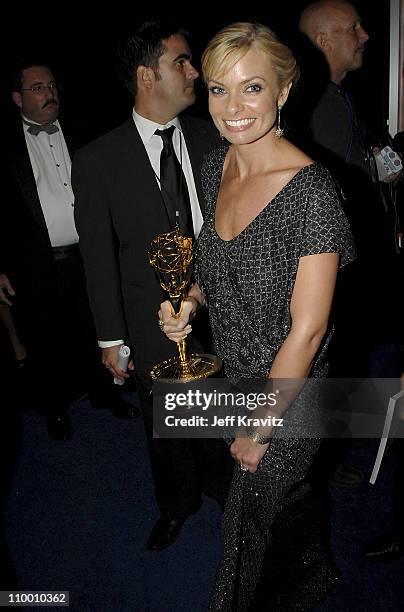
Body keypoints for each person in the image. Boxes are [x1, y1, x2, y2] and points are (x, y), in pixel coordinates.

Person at [159, 21, 355, 610]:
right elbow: (213, 269)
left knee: (245, 532)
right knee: (280, 509)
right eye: (218, 89)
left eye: (252, 88)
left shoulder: (312, 191)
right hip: (235, 380)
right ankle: (311, 574)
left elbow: (310, 328)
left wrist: (261, 426)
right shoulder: (218, 163)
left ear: (284, 91)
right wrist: (189, 303)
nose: (233, 107)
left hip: (287, 399)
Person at [72, 20, 233, 552]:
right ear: (147, 76)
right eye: (182, 62)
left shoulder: (215, 136)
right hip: (150, 317)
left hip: (220, 301)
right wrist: (110, 339)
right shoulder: (98, 160)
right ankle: (176, 504)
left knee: (220, 399)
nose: (195, 72)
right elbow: (97, 257)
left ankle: (222, 483)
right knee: (166, 421)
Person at [2, 61, 135, 442]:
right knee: (46, 338)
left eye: (53, 85)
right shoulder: (7, 147)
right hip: (38, 263)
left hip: (92, 255)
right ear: (17, 98)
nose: (50, 93)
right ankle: (55, 408)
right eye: (38, 87)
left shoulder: (84, 131)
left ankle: (105, 392)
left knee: (100, 327)